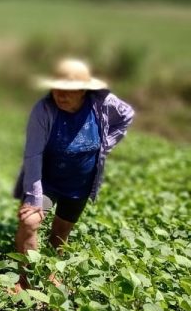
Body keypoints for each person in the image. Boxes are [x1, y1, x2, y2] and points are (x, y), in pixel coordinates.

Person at [13, 58, 135, 290]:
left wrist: (106, 144)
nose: (60, 94)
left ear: (83, 91)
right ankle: (25, 281)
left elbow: (126, 115)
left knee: (60, 233)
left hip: (78, 185)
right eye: (57, 87)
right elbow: (33, 154)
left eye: (69, 90)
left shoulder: (101, 103)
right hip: (46, 182)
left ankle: (49, 275)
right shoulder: (44, 110)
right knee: (29, 222)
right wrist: (34, 198)